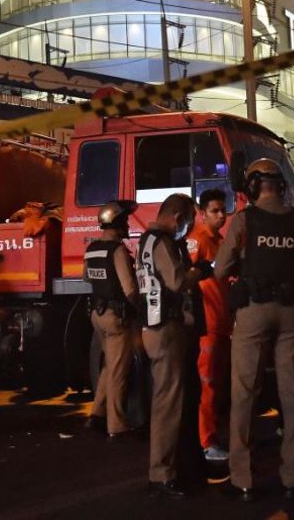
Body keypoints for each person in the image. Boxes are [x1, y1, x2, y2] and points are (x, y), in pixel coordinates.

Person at [214, 158, 294, 501]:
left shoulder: (244, 220)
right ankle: (293, 478)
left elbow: (221, 269)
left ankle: (243, 479)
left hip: (253, 312)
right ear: (280, 185)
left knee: (244, 394)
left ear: (252, 187)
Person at [137, 193, 212, 499]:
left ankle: (174, 467)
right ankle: (162, 474)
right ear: (178, 217)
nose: (189, 227)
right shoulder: (162, 242)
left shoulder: (146, 241)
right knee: (168, 404)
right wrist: (200, 271)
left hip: (155, 327)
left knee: (166, 400)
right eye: (189, 221)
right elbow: (177, 282)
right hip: (165, 329)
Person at [83, 200, 140, 438]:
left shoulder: (92, 249)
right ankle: (117, 426)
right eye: (125, 220)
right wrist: (142, 309)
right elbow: (129, 289)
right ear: (116, 223)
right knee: (119, 371)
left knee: (109, 366)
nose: (127, 224)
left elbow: (86, 277)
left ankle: (96, 415)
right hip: (117, 318)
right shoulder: (117, 250)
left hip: (97, 315)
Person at [187, 188, 231, 462]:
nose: (221, 215)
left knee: (218, 384)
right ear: (202, 213)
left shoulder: (219, 240)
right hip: (208, 323)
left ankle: (215, 434)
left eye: (222, 210)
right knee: (208, 385)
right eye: (214, 211)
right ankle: (206, 441)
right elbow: (188, 280)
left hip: (223, 322)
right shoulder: (198, 240)